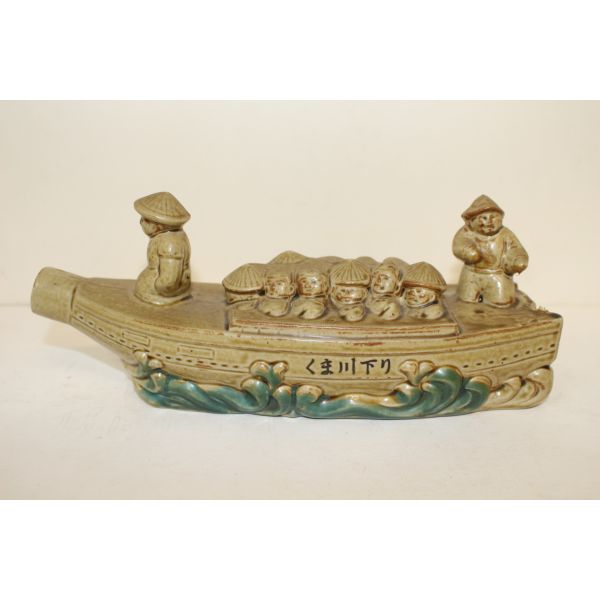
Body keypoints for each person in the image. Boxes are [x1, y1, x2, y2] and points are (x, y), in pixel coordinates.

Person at [452, 195, 528, 307]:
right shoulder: (466, 232)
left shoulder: (505, 234)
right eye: (483, 218)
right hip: (471, 274)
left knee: (501, 303)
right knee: (465, 302)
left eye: (493, 217)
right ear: (471, 221)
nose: (489, 222)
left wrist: (517, 260)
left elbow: (515, 249)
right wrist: (466, 251)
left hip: (497, 275)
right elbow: (458, 245)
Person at [134, 191, 192, 306]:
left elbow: (169, 281)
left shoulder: (170, 244)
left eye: (145, 220)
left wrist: (158, 288)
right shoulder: (165, 237)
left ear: (158, 226)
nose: (140, 222)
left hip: (159, 295)